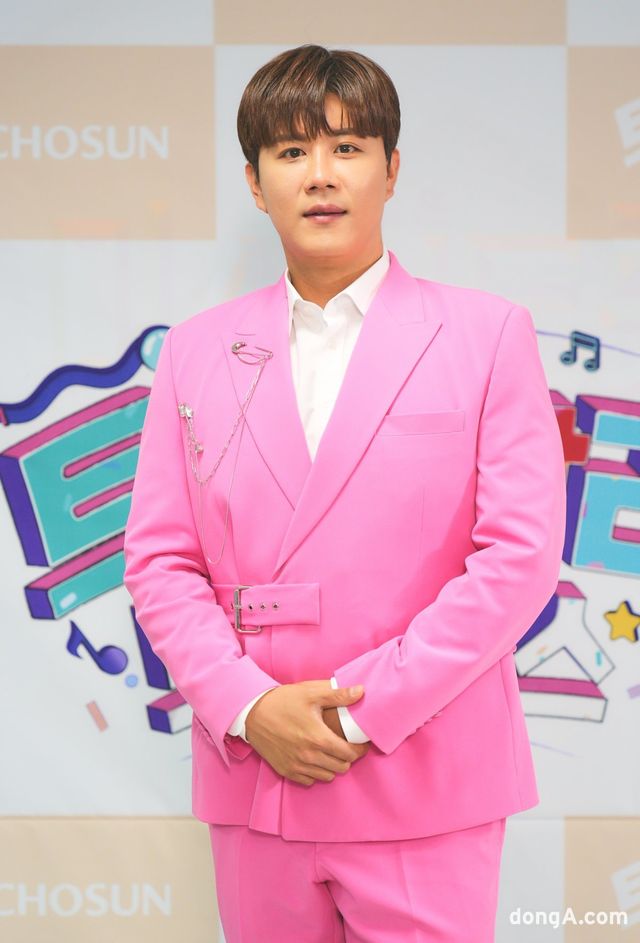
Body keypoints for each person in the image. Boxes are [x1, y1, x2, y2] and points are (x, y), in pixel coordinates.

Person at [123, 43, 566, 943]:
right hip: (257, 773)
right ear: (255, 184)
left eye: (347, 147)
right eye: (291, 152)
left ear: (392, 169)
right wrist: (250, 706)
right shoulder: (196, 350)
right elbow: (161, 560)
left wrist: (359, 711)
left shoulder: (485, 334)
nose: (320, 174)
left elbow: (518, 559)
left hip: (425, 772)